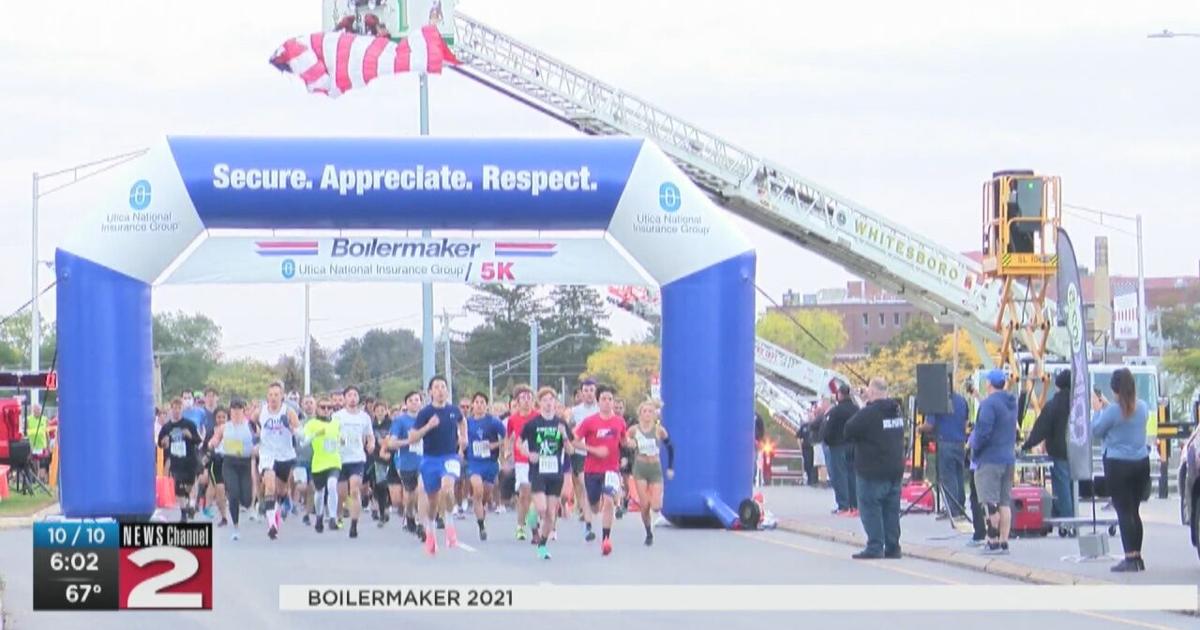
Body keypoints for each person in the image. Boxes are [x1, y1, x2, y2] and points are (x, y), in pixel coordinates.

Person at [1091, 368, 1150, 573]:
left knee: (1123, 511)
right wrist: (1109, 407)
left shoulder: (1112, 411)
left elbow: (1096, 430)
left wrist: (1098, 410)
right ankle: (1138, 557)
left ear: (1114, 389)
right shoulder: (1142, 407)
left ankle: (1129, 558)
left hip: (1118, 464)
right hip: (1141, 463)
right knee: (1134, 511)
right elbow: (1125, 416)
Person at [843, 378, 906, 560]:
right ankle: (893, 546)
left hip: (872, 470)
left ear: (871, 393)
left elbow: (849, 429)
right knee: (891, 511)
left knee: (870, 508)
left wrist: (864, 405)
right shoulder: (895, 411)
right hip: (894, 469)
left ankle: (875, 545)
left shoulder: (869, 413)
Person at [410, 375, 466, 556]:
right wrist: (428, 426)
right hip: (430, 459)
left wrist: (464, 437)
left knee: (448, 488)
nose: (440, 390)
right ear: (430, 392)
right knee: (432, 502)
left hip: (450, 457)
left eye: (443, 387)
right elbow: (413, 437)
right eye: (436, 387)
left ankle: (450, 524)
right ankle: (431, 532)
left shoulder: (453, 410)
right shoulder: (425, 413)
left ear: (447, 391)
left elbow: (462, 420)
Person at [520, 387, 575, 560]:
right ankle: (533, 514)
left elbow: (571, 450)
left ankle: (542, 545)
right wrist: (529, 454)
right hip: (538, 472)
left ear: (555, 403)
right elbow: (519, 444)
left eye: (551, 400)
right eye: (545, 400)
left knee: (551, 515)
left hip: (555, 474)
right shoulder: (532, 424)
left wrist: (564, 436)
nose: (548, 403)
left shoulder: (561, 423)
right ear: (539, 403)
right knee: (542, 509)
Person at [574, 384, 627, 556]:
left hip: (611, 468)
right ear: (598, 401)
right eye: (603, 399)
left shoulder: (619, 422)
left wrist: (630, 446)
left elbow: (624, 441)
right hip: (592, 469)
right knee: (595, 506)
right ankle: (590, 520)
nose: (607, 402)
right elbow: (573, 440)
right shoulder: (590, 422)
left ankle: (606, 539)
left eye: (610, 399)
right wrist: (594, 450)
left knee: (610, 501)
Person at [969, 369, 1018, 555]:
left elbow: (983, 433)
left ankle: (992, 540)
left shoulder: (989, 405)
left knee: (990, 502)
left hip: (989, 459)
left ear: (989, 383)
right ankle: (1004, 541)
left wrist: (975, 450)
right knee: (1004, 502)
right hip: (1008, 457)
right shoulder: (1011, 403)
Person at [1022, 369, 1075, 519]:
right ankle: (1066, 515)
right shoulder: (1078, 404)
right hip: (1077, 452)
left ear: (1058, 385)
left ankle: (1067, 519)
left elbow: (1041, 428)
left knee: (1062, 486)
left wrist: (1027, 445)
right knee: (1071, 486)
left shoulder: (1054, 405)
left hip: (1059, 452)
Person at [252, 382, 302, 540]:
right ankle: (272, 525)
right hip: (267, 453)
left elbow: (299, 432)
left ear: (282, 396)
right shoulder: (261, 410)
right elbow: (251, 422)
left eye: (276, 395)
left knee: (281, 490)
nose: (273, 398)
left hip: (285, 455)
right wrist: (256, 438)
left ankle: (284, 499)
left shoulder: (288, 411)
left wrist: (291, 428)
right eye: (271, 395)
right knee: (270, 485)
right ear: (267, 396)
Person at [919, 376, 970, 519]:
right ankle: (960, 506)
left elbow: (930, 425)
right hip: (960, 442)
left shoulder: (937, 401)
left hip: (945, 442)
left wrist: (919, 428)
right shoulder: (961, 400)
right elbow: (966, 422)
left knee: (948, 477)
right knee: (958, 474)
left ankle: (952, 510)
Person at [626, 400, 674, 546]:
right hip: (640, 467)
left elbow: (670, 447)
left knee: (656, 506)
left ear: (654, 414)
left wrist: (670, 467)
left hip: (655, 468)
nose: (647, 414)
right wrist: (629, 443)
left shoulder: (659, 430)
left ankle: (658, 498)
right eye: (644, 411)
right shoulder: (634, 429)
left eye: (650, 411)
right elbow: (624, 440)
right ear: (640, 414)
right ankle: (648, 532)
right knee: (644, 505)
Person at [208, 399, 256, 540]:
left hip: (245, 462)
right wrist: (212, 444)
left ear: (243, 410)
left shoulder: (250, 425)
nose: (236, 412)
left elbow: (259, 438)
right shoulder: (224, 427)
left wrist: (257, 448)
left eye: (239, 409)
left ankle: (249, 505)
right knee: (233, 493)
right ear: (230, 411)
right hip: (229, 462)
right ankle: (235, 527)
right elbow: (215, 439)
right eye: (233, 409)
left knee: (246, 499)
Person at [333, 386, 375, 539]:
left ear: (358, 398)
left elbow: (370, 436)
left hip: (357, 458)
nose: (352, 398)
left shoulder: (364, 417)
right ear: (344, 398)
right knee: (342, 493)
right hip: (340, 458)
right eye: (349, 395)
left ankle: (354, 524)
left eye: (355, 395)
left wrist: (371, 444)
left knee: (355, 490)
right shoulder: (337, 416)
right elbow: (331, 435)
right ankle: (338, 514)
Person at [465, 392, 505, 541]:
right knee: (477, 490)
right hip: (474, 462)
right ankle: (481, 526)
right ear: (472, 405)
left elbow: (508, 437)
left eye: (482, 402)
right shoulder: (467, 422)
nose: (479, 405)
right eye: (477, 402)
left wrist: (495, 444)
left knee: (485, 495)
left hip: (490, 463)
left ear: (486, 406)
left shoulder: (494, 421)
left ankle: (482, 510)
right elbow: (461, 437)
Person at [389, 391, 428, 540]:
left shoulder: (427, 419)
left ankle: (421, 523)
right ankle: (409, 514)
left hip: (424, 461)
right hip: (406, 462)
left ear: (421, 402)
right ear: (406, 404)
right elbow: (392, 443)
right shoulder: (400, 421)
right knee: (410, 494)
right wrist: (408, 442)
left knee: (422, 489)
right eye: (411, 400)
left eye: (417, 400)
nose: (414, 402)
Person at [302, 397, 343, 534]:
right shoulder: (311, 424)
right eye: (323, 407)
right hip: (318, 463)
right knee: (319, 492)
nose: (326, 410)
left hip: (334, 461)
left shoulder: (336, 423)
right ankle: (319, 516)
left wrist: (343, 442)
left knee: (332, 485)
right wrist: (315, 434)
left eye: (329, 408)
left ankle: (332, 518)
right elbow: (303, 442)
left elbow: (342, 441)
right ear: (317, 409)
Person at [158, 398, 202, 522]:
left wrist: (189, 436)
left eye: (179, 408)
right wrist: (163, 442)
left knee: (188, 485)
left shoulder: (189, 424)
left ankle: (189, 501)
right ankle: (183, 514)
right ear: (171, 409)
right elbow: (160, 443)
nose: (176, 411)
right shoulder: (167, 427)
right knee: (178, 487)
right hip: (176, 461)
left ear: (182, 409)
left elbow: (198, 440)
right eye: (174, 408)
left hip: (189, 459)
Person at [505, 385, 538, 540]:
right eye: (523, 398)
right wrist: (507, 450)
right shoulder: (513, 419)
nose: (526, 401)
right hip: (521, 461)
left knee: (533, 495)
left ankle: (534, 524)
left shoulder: (538, 416)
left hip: (538, 461)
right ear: (517, 402)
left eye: (529, 398)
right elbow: (509, 436)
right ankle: (520, 526)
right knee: (525, 493)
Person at [822, 384, 860, 515]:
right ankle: (854, 505)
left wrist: (827, 441)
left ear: (840, 395)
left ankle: (843, 505)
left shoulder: (836, 411)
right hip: (853, 446)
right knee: (852, 475)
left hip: (837, 446)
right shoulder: (856, 409)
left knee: (840, 476)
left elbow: (829, 429)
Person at [570, 379, 600, 534]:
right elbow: (568, 432)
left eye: (591, 390)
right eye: (586, 390)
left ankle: (590, 509)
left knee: (594, 493)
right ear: (581, 393)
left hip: (599, 454)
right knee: (584, 485)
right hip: (580, 454)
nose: (589, 393)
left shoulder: (602, 409)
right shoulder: (575, 411)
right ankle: (588, 526)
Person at [369, 401, 396, 526]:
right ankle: (382, 512)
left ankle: (389, 504)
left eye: (382, 410)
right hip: (377, 458)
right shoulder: (371, 425)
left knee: (389, 484)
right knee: (380, 484)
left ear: (386, 411)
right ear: (374, 412)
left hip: (392, 457)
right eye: (378, 410)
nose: (380, 412)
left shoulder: (392, 424)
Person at [207, 407, 230, 527]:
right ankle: (224, 517)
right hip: (216, 462)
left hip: (230, 461)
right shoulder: (212, 430)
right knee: (220, 490)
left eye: (223, 417)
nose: (221, 419)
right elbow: (208, 445)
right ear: (215, 418)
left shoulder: (232, 429)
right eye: (218, 417)